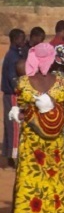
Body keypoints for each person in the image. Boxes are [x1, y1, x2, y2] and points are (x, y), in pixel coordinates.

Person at [10, 42, 64, 213]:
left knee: (30, 188)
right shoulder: (62, 83)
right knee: (54, 188)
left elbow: (23, 111)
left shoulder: (24, 83)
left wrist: (19, 114)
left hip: (32, 146)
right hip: (54, 146)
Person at [2, 28, 26, 168]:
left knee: (10, 125)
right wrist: (21, 90)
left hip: (9, 94)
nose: (23, 41)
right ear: (16, 40)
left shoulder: (13, 54)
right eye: (22, 39)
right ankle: (14, 158)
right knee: (15, 126)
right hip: (12, 94)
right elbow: (13, 78)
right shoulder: (13, 57)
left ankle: (7, 156)